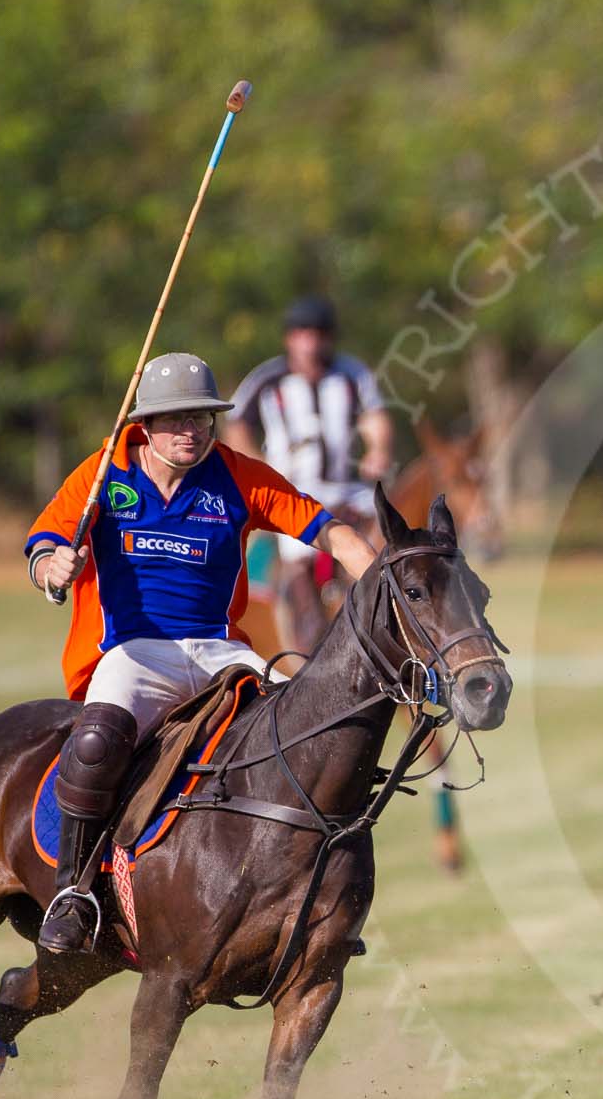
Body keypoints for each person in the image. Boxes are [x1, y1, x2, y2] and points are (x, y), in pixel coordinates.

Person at [25, 351, 379, 954]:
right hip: (133, 651)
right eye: (176, 419)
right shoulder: (103, 475)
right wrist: (54, 566)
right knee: (95, 741)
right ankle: (74, 892)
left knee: (307, 734)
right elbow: (42, 547)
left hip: (219, 652)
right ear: (145, 424)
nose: (190, 430)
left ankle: (316, 892)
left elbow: (332, 533)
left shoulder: (239, 475)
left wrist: (382, 583)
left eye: (201, 418)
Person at [224, 296, 393, 643]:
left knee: (389, 533)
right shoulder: (268, 379)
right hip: (291, 493)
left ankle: (389, 620)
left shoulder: (351, 374)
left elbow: (375, 416)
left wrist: (378, 449)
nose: (310, 343)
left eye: (318, 334)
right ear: (289, 338)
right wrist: (260, 468)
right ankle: (307, 637)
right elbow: (237, 426)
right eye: (302, 333)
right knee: (298, 556)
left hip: (347, 488)